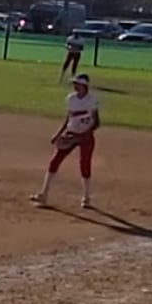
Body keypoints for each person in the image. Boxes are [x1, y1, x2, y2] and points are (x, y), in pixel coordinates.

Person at [32, 73, 100, 209]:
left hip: (86, 136)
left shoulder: (91, 100)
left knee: (84, 164)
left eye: (77, 84)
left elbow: (96, 122)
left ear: (84, 85)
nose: (75, 86)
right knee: (55, 161)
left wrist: (84, 135)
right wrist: (58, 134)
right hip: (71, 134)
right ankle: (44, 194)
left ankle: (86, 198)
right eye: (74, 83)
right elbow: (68, 118)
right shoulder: (70, 99)